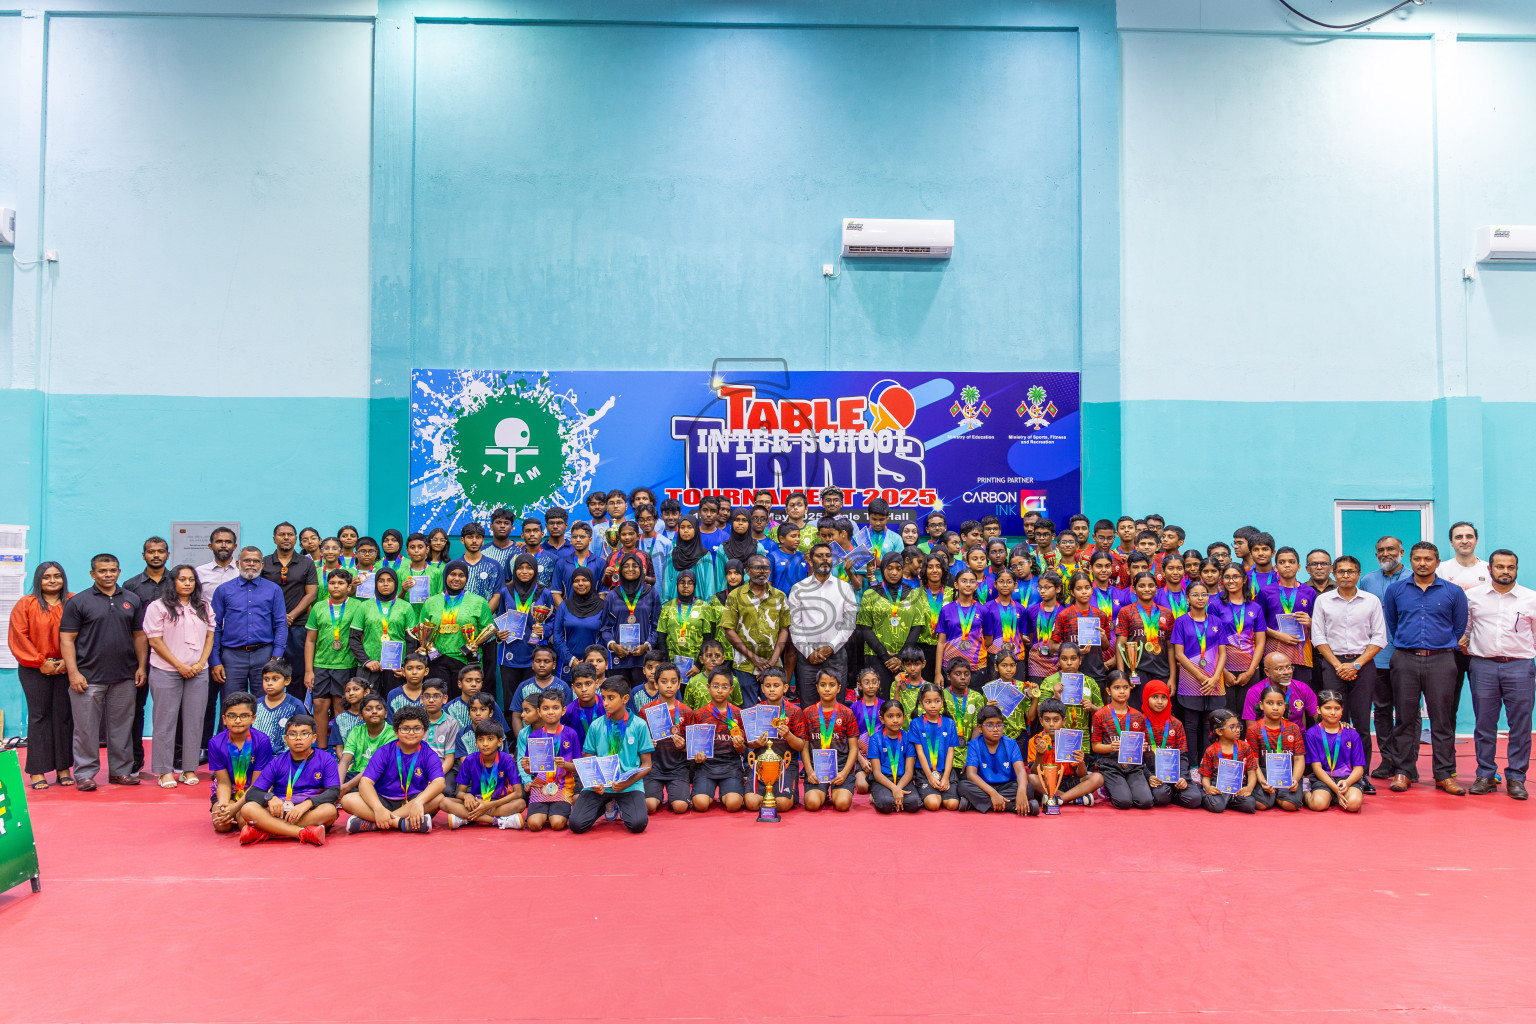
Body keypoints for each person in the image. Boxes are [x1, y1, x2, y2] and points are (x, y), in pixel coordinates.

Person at [1382, 542, 1468, 795]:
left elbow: (1459, 627)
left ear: (1437, 562)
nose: (1423, 563)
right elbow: (1393, 623)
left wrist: (1439, 644)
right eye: (1417, 558)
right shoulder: (1396, 591)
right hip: (1405, 658)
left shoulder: (1453, 592)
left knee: (1442, 720)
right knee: (1405, 718)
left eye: (1428, 559)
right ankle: (1403, 771)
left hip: (1442, 660)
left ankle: (1444, 774)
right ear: (1410, 560)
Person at [59, 554, 146, 790]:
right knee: (86, 730)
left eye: (113, 570)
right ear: (92, 574)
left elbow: (139, 635)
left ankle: (120, 771)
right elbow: (67, 639)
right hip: (88, 677)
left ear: (119, 571)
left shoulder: (132, 599)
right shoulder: (78, 602)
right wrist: (73, 673)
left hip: (124, 676)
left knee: (122, 728)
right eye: (102, 571)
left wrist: (141, 666)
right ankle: (85, 774)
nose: (108, 575)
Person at [1462, 549, 1536, 800]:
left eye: (1510, 567)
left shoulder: (1530, 598)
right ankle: (1485, 775)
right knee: (1484, 724)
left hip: (1520, 667)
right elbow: (1467, 629)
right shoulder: (1473, 597)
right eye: (1500, 566)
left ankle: (1516, 778)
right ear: (1489, 569)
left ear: (1517, 569)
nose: (1505, 571)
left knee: (1521, 726)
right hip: (1483, 666)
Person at [1309, 555, 1386, 793]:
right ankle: (1329, 773)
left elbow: (1379, 638)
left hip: (1363, 666)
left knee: (1361, 724)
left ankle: (1360, 776)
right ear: (1333, 573)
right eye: (1341, 571)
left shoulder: (1371, 601)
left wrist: (1356, 665)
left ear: (1358, 573)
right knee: (1333, 720)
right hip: (1332, 665)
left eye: (1350, 571)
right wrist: (1338, 665)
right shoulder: (1323, 600)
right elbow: (1318, 636)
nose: (1345, 575)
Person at [141, 564, 215, 789]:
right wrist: (180, 665)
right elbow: (154, 641)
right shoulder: (158, 606)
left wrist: (201, 663)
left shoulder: (203, 605)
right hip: (167, 671)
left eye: (191, 579)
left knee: (194, 722)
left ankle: (189, 768)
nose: (187, 583)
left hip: (198, 672)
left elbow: (210, 636)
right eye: (182, 579)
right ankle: (164, 771)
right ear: (172, 581)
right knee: (165, 721)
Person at [8, 561, 75, 789]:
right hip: (34, 669)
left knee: (64, 717)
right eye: (47, 577)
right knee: (39, 716)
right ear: (39, 580)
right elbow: (19, 637)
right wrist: (40, 662)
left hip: (67, 668)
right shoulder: (26, 604)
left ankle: (63, 767)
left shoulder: (73, 602)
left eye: (57, 576)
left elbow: (84, 633)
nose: (53, 580)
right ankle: (37, 770)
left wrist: (69, 661)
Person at [235, 714, 339, 846]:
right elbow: (253, 792)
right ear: (286, 739)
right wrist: (270, 797)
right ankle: (302, 832)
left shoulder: (326, 759)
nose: (298, 738)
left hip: (308, 812)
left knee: (329, 810)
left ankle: (268, 831)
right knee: (248, 809)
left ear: (314, 738)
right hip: (279, 812)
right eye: (292, 734)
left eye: (304, 733)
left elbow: (333, 792)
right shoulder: (277, 762)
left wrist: (307, 804)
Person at [569, 677, 655, 834]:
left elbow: (647, 764)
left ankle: (620, 803)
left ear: (625, 699)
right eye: (603, 698)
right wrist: (593, 782)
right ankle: (606, 804)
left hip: (628, 785)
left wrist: (627, 784)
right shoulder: (596, 725)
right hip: (600, 786)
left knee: (638, 824)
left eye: (611, 698)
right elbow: (588, 759)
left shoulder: (639, 725)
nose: (605, 703)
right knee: (576, 824)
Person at [342, 706, 446, 833]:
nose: (411, 733)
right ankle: (402, 823)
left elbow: (439, 782)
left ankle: (378, 823)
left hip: (412, 801)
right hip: (382, 800)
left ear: (424, 732)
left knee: (439, 798)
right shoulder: (384, 751)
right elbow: (365, 782)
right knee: (347, 800)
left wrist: (419, 801)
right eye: (405, 728)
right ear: (396, 732)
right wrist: (378, 808)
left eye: (417, 728)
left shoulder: (429, 754)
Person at [209, 546, 288, 705]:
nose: (251, 564)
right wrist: (215, 660)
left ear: (262, 565)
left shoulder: (274, 590)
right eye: (246, 560)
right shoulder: (223, 590)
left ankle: (260, 732)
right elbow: (214, 627)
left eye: (256, 561)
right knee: (231, 705)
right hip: (232, 657)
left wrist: (277, 655)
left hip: (265, 656)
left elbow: (280, 623)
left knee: (264, 704)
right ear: (238, 563)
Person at [1359, 536, 1408, 782]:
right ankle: (1388, 760)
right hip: (1377, 658)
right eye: (1380, 550)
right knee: (1381, 711)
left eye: (1391, 549)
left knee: (1408, 713)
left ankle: (1406, 764)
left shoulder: (1413, 577)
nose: (1386, 553)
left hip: (1406, 657)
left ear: (1401, 551)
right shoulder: (1367, 580)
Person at [122, 537, 170, 775]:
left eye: (161, 551)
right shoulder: (130, 586)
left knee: (173, 709)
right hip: (138, 655)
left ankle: (174, 758)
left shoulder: (178, 582)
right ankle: (134, 759)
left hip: (171, 656)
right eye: (151, 552)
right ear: (144, 555)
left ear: (167, 555)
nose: (156, 555)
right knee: (136, 707)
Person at [785, 545, 855, 706]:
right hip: (808, 657)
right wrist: (808, 652)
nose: (825, 559)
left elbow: (849, 623)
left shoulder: (844, 588)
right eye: (819, 556)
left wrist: (831, 647)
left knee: (837, 706)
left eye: (828, 555)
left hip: (836, 655)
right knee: (808, 706)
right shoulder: (798, 589)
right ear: (810, 560)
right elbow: (795, 626)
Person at [720, 553, 792, 706]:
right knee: (749, 711)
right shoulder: (735, 596)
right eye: (757, 568)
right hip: (745, 664)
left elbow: (784, 629)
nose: (762, 571)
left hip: (773, 666)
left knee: (773, 712)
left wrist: (772, 661)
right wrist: (754, 658)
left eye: (766, 568)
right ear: (747, 571)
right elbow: (729, 630)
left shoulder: (779, 596)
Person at [261, 523, 319, 700]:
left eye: (290, 534)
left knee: (297, 674)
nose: (286, 537)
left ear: (296, 539)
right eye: (281, 534)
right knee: (268, 673)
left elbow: (311, 594)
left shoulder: (306, 563)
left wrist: (291, 616)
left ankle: (297, 719)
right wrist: (277, 619)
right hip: (268, 627)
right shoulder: (264, 563)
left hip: (298, 626)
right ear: (274, 538)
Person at [1169, 582, 1226, 755]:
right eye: (1195, 595)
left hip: (1215, 681)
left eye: (1204, 594)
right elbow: (1179, 654)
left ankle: (1207, 764)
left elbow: (1223, 653)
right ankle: (1193, 765)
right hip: (1191, 681)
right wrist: (1201, 677)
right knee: (1191, 725)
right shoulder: (1181, 622)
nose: (1200, 598)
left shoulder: (1216, 621)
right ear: (1187, 598)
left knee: (1210, 726)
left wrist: (1215, 677)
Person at [417, 560, 493, 689]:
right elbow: (422, 630)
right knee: (440, 700)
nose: (456, 579)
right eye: (452, 574)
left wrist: (475, 645)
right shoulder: (431, 602)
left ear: (466, 578)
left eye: (461, 575)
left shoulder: (479, 602)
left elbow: (487, 633)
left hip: (466, 661)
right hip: (437, 660)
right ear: (446, 575)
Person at [304, 568, 357, 750]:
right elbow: (310, 640)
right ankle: (321, 749)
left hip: (345, 664)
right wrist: (309, 670)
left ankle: (340, 750)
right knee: (319, 704)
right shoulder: (319, 606)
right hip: (320, 664)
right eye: (332, 583)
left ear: (349, 587)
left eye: (341, 583)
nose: (336, 586)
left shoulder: (357, 606)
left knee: (340, 705)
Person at [207, 692, 275, 833]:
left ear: (253, 718)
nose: (238, 721)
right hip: (229, 790)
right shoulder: (215, 743)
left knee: (244, 822)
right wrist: (224, 805)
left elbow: (258, 784)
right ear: (224, 719)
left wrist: (236, 807)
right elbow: (223, 782)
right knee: (221, 825)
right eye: (232, 716)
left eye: (244, 716)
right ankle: (233, 811)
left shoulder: (262, 741)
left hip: (254, 790)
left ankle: (242, 814)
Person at [682, 667, 747, 813]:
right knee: (700, 805)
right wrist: (697, 758)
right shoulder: (699, 715)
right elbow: (694, 749)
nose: (719, 690)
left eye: (724, 687)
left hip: (731, 766)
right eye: (715, 686)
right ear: (708, 687)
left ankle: (729, 792)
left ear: (731, 689)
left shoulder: (738, 714)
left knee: (734, 805)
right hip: (706, 767)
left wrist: (739, 746)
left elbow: (743, 750)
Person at [442, 720, 526, 830]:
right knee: (444, 802)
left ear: (499, 742)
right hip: (475, 802)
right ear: (476, 743)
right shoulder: (470, 760)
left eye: (490, 739)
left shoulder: (507, 759)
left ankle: (466, 818)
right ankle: (496, 821)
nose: (485, 744)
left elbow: (518, 792)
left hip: (498, 803)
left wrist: (491, 805)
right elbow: (460, 793)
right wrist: (467, 796)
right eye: (480, 739)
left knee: (521, 803)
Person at [518, 687, 581, 831]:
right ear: (539, 712)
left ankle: (557, 811)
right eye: (545, 708)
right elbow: (530, 770)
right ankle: (546, 811)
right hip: (540, 786)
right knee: (534, 825)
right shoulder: (534, 737)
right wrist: (526, 766)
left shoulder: (571, 734)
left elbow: (578, 767)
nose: (551, 712)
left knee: (557, 824)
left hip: (563, 785)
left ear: (563, 710)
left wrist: (565, 765)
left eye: (555, 708)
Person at [497, 553, 558, 697]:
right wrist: (499, 634)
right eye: (520, 568)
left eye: (529, 568)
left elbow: (552, 621)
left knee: (534, 698)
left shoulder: (545, 593)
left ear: (535, 570)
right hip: (510, 653)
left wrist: (544, 629)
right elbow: (500, 618)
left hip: (536, 653)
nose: (524, 571)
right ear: (514, 571)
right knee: (510, 699)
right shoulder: (506, 592)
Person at [1089, 672, 1152, 810]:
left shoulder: (1137, 716)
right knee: (1124, 802)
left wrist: (1142, 747)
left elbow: (1143, 742)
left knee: (1145, 801)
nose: (1122, 691)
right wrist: (1111, 747)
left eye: (1125, 687)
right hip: (1111, 766)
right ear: (1108, 691)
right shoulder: (1100, 715)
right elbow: (1095, 746)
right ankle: (1108, 787)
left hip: (1133, 766)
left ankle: (1126, 786)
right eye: (1117, 687)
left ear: (1130, 688)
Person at [960, 706, 1036, 816]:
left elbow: (1020, 770)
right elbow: (971, 774)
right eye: (989, 725)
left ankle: (974, 804)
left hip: (1006, 785)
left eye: (999, 724)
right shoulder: (974, 745)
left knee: (1028, 788)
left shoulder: (1011, 743)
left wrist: (1021, 791)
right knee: (962, 786)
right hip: (984, 787)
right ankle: (1012, 806)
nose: (995, 729)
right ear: (980, 728)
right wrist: (993, 793)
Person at [599, 553, 661, 686]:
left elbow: (657, 627)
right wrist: (613, 646)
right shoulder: (612, 595)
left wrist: (646, 646)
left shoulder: (651, 593)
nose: (630, 569)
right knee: (619, 699)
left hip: (643, 659)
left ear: (642, 570)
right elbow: (605, 628)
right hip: (618, 658)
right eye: (626, 566)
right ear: (620, 570)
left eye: (635, 566)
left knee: (640, 698)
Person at [348, 567, 413, 693]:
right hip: (370, 666)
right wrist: (367, 661)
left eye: (390, 580)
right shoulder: (364, 606)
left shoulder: (406, 607)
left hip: (396, 668)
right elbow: (353, 638)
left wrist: (406, 666)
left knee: (394, 706)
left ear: (396, 583)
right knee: (367, 705)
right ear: (375, 583)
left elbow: (411, 640)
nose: (385, 584)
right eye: (381, 580)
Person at [1141, 679, 1202, 808]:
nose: (1159, 702)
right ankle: (1168, 794)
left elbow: (1183, 755)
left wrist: (1182, 777)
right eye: (1154, 697)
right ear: (1146, 698)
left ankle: (1173, 794)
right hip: (1152, 774)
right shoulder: (1139, 722)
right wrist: (1148, 776)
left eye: (1164, 697)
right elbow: (1135, 758)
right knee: (1160, 796)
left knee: (1195, 799)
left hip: (1174, 773)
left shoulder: (1176, 724)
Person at [1304, 690, 1368, 812]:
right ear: (1318, 709)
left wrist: (1348, 783)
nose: (1333, 712)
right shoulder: (1312, 734)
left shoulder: (1352, 733)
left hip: (1347, 778)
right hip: (1324, 778)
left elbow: (1359, 768)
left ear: (1342, 710)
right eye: (1327, 708)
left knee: (1353, 805)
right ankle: (1305, 792)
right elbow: (1316, 768)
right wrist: (1336, 789)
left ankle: (1340, 795)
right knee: (1318, 805)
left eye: (1337, 708)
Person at [1247, 684, 1305, 812]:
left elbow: (1299, 759)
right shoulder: (1253, 729)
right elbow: (1253, 762)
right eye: (1270, 703)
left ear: (1285, 706)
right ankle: (1271, 795)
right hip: (1264, 772)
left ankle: (1286, 794)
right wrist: (1262, 781)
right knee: (1261, 805)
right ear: (1261, 705)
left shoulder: (1293, 728)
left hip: (1287, 773)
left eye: (1279, 704)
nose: (1275, 707)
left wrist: (1295, 779)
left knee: (1289, 805)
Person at [867, 699, 921, 814]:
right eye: (890, 716)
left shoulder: (908, 738)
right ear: (882, 719)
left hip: (903, 780)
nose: (895, 720)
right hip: (883, 779)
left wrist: (898, 788)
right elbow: (876, 772)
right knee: (885, 804)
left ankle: (895, 797)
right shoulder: (875, 739)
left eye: (899, 716)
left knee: (914, 803)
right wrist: (894, 789)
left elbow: (909, 771)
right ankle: (878, 796)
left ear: (904, 717)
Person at [550, 566, 605, 676]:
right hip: (568, 665)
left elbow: (605, 635)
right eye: (576, 581)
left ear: (592, 582)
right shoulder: (564, 606)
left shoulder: (602, 606)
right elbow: (558, 637)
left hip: (594, 666)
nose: (580, 584)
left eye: (585, 580)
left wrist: (590, 660)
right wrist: (571, 660)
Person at [1199, 709, 1257, 813]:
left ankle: (1227, 801)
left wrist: (1249, 788)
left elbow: (1252, 772)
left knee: (1250, 804)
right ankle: (1209, 798)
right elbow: (1205, 776)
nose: (1238, 729)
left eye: (1238, 725)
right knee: (1216, 806)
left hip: (1238, 788)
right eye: (1232, 727)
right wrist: (1208, 787)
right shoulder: (1211, 751)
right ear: (1219, 731)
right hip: (1218, 788)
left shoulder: (1245, 747)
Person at [1241, 651, 1318, 730]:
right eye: (1280, 669)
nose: (1287, 672)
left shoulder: (1302, 688)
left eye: (1289, 667)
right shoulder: (1255, 692)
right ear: (1267, 672)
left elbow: (1318, 718)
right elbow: (1251, 728)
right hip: (1268, 739)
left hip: (1297, 739)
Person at [196, 527, 240, 597]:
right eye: (218, 541)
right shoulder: (199, 572)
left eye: (228, 542)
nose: (223, 546)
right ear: (210, 546)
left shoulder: (242, 571)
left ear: (235, 546)